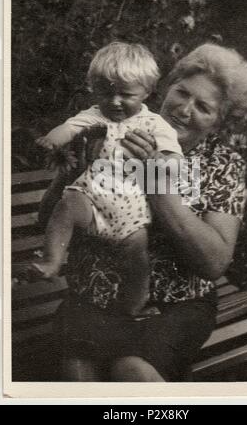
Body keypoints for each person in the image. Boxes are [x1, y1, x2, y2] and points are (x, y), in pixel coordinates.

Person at [40, 43, 247, 382]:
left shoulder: (222, 164)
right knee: (81, 381)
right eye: (182, 92)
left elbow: (213, 263)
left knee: (132, 372)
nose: (185, 110)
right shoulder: (108, 126)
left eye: (203, 106)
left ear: (219, 121)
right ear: (166, 88)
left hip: (175, 305)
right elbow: (49, 221)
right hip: (93, 299)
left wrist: (156, 183)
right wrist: (72, 173)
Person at [34, 42, 183, 317]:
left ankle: (133, 304)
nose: (114, 102)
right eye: (105, 92)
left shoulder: (153, 125)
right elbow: (68, 129)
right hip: (90, 198)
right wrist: (51, 141)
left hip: (131, 211)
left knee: (137, 259)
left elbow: (175, 159)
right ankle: (52, 260)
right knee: (66, 207)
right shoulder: (93, 116)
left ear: (147, 91)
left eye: (126, 94)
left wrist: (162, 163)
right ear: (94, 88)